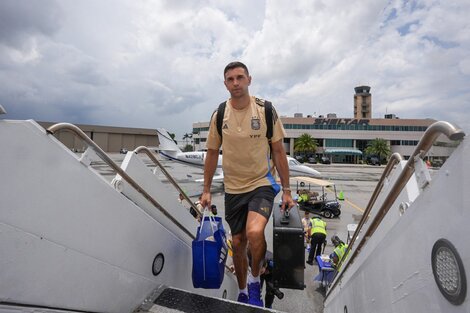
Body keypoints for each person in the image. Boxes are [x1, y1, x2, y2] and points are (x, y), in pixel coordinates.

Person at [201, 61, 295, 307]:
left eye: (240, 78)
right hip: (233, 188)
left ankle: (255, 281)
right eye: (230, 79)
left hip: (261, 183)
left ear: (249, 80)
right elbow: (212, 153)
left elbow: (278, 151)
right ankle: (242, 291)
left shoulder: (265, 110)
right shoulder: (219, 114)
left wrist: (286, 190)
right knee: (239, 242)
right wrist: (206, 189)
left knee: (254, 232)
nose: (236, 83)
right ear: (225, 84)